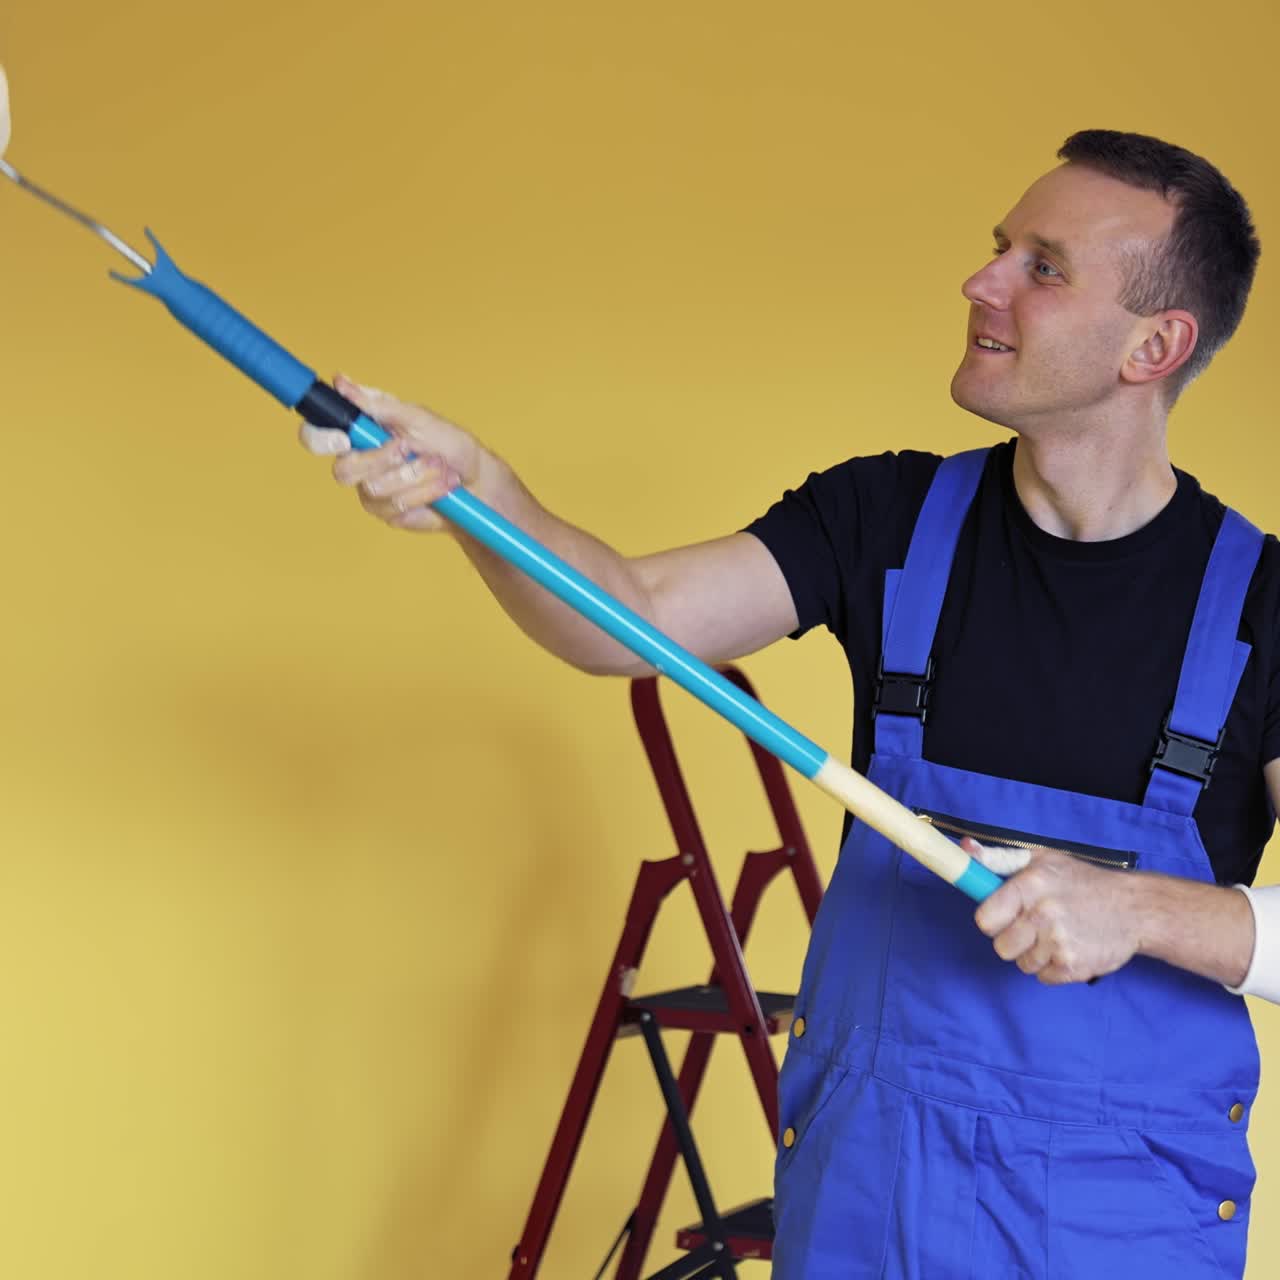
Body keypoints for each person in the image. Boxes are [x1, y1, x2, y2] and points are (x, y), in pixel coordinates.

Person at [301, 131, 1276, 1277]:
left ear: (1151, 345)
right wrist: (477, 493)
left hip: (1111, 1230)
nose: (981, 282)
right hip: (862, 1195)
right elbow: (624, 616)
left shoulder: (1259, 605)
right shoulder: (887, 518)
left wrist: (1135, 913)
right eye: (996, 247)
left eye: (1042, 266)